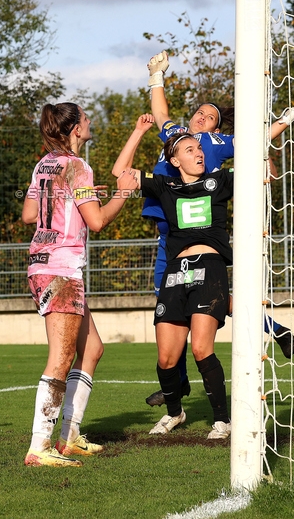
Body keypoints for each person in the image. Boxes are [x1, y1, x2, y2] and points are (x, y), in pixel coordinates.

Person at [141, 51, 294, 407]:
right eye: (199, 112)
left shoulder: (213, 145)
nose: (201, 117)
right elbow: (161, 114)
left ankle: (182, 383)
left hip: (197, 238)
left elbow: (257, 139)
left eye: (210, 117)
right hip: (168, 236)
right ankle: (275, 331)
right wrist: (157, 76)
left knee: (184, 304)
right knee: (178, 306)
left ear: (216, 129)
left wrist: (291, 115)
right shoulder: (176, 136)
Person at [21, 102, 138, 467]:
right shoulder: (77, 166)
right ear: (74, 129)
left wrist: (72, 199)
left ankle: (69, 437)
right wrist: (124, 192)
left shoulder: (46, 163)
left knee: (93, 350)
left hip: (44, 263)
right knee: (62, 355)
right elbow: (99, 221)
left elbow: (28, 214)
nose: (90, 122)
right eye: (86, 119)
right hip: (61, 267)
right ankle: (39, 447)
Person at [113, 115, 233, 439]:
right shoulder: (166, 186)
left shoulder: (220, 181)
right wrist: (138, 130)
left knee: (201, 350)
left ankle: (223, 420)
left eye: (200, 148)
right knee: (166, 359)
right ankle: (175, 413)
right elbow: (120, 174)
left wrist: (286, 119)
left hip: (210, 268)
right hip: (176, 273)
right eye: (190, 148)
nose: (199, 153)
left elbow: (259, 161)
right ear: (174, 159)